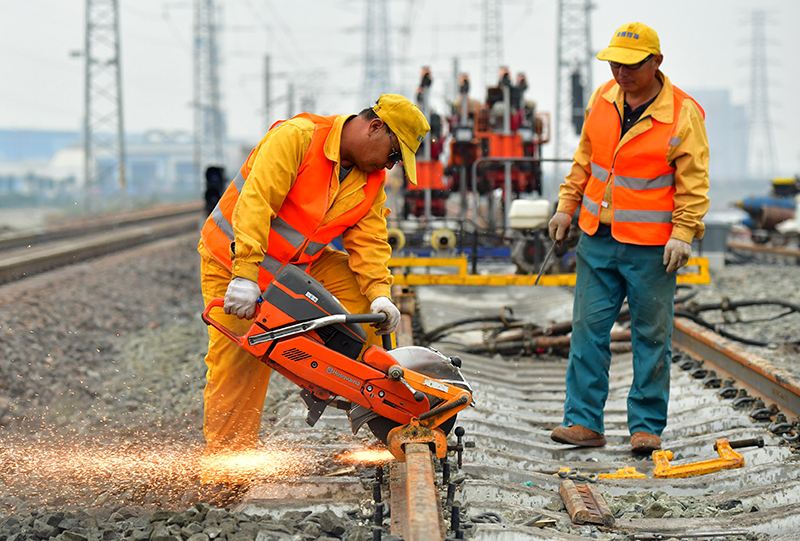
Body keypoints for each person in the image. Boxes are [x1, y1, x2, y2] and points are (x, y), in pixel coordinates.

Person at [198, 94, 430, 454]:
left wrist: (380, 293)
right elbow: (255, 204)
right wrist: (244, 274)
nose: (392, 165)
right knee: (242, 362)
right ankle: (226, 464)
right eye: (395, 154)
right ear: (375, 127)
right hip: (234, 263)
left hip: (296, 268)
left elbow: (369, 241)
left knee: (368, 313)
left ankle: (384, 417)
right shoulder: (298, 138)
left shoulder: (371, 180)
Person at [548, 22, 709, 454]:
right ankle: (583, 422)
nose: (621, 73)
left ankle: (646, 427)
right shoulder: (603, 99)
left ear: (656, 62)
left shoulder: (681, 113)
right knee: (587, 331)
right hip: (597, 239)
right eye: (616, 64)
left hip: (653, 248)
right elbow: (585, 161)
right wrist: (566, 207)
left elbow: (693, 183)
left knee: (651, 337)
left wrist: (683, 233)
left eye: (632, 66)